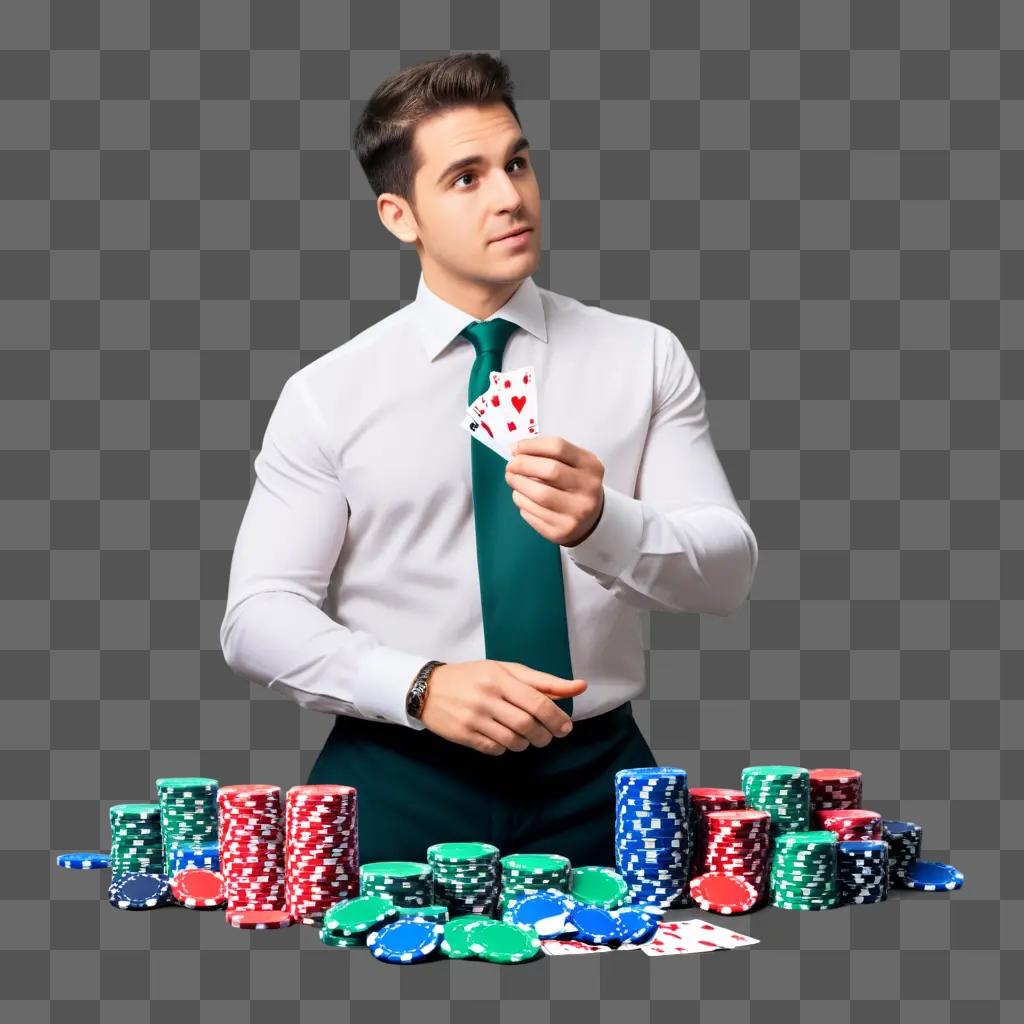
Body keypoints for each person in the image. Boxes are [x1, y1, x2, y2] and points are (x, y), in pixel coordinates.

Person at [219, 53, 758, 869]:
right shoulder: (326, 394)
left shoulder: (644, 358)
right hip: (396, 772)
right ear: (400, 217)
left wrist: (604, 523)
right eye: (466, 178)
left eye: (516, 163)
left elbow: (726, 575)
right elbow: (256, 619)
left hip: (600, 777)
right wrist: (420, 686)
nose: (511, 196)